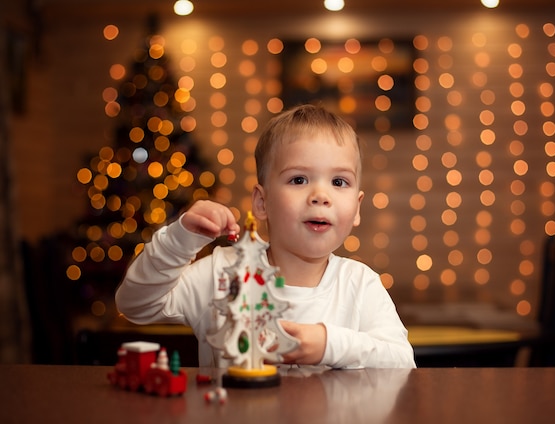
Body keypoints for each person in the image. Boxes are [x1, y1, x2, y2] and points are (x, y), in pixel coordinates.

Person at [115, 104, 416, 369]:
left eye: (339, 181)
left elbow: (402, 360)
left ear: (357, 207)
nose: (321, 196)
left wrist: (330, 344)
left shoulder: (360, 285)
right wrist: (181, 239)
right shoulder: (223, 274)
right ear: (262, 203)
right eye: (299, 179)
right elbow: (136, 305)